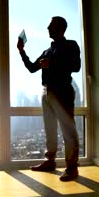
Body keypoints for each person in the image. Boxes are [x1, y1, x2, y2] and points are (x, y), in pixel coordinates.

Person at [17, 16, 81, 181]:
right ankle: (50, 161)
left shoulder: (71, 45)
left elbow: (76, 66)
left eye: (50, 25)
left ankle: (72, 168)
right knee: (49, 128)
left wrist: (53, 65)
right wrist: (22, 51)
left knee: (68, 130)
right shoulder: (47, 51)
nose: (47, 28)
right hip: (46, 91)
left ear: (60, 28)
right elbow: (32, 68)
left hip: (62, 91)